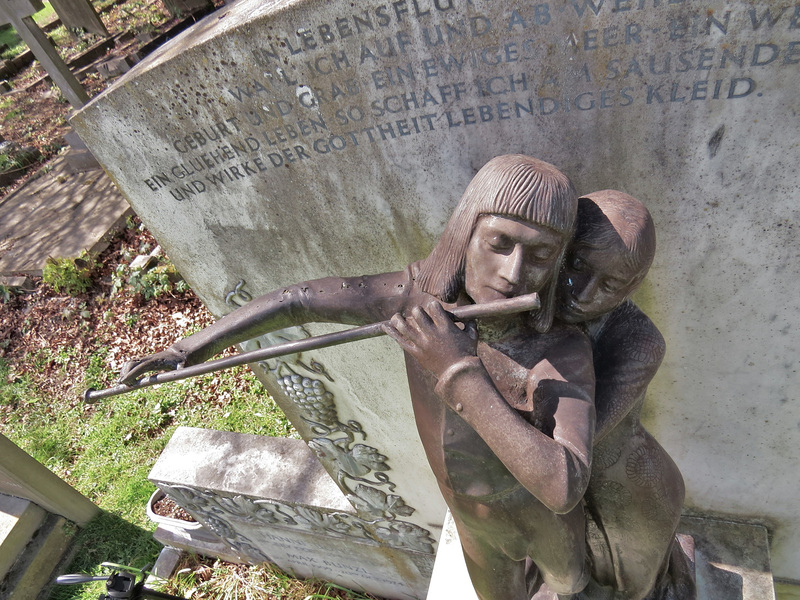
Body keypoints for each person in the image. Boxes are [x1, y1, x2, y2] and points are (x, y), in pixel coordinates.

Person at [121, 155, 596, 600]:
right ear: (466, 233)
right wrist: (194, 345)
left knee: (570, 585)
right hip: (471, 520)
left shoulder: (560, 349)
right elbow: (299, 300)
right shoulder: (414, 302)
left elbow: (562, 486)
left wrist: (457, 369)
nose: (513, 273)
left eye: (539, 255)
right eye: (498, 243)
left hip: (540, 517)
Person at [556, 190, 695, 600]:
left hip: (632, 489)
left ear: (632, 286)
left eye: (610, 284)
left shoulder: (640, 340)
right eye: (579, 265)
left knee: (633, 585)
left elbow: (584, 436)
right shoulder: (535, 308)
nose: (583, 293)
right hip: (567, 486)